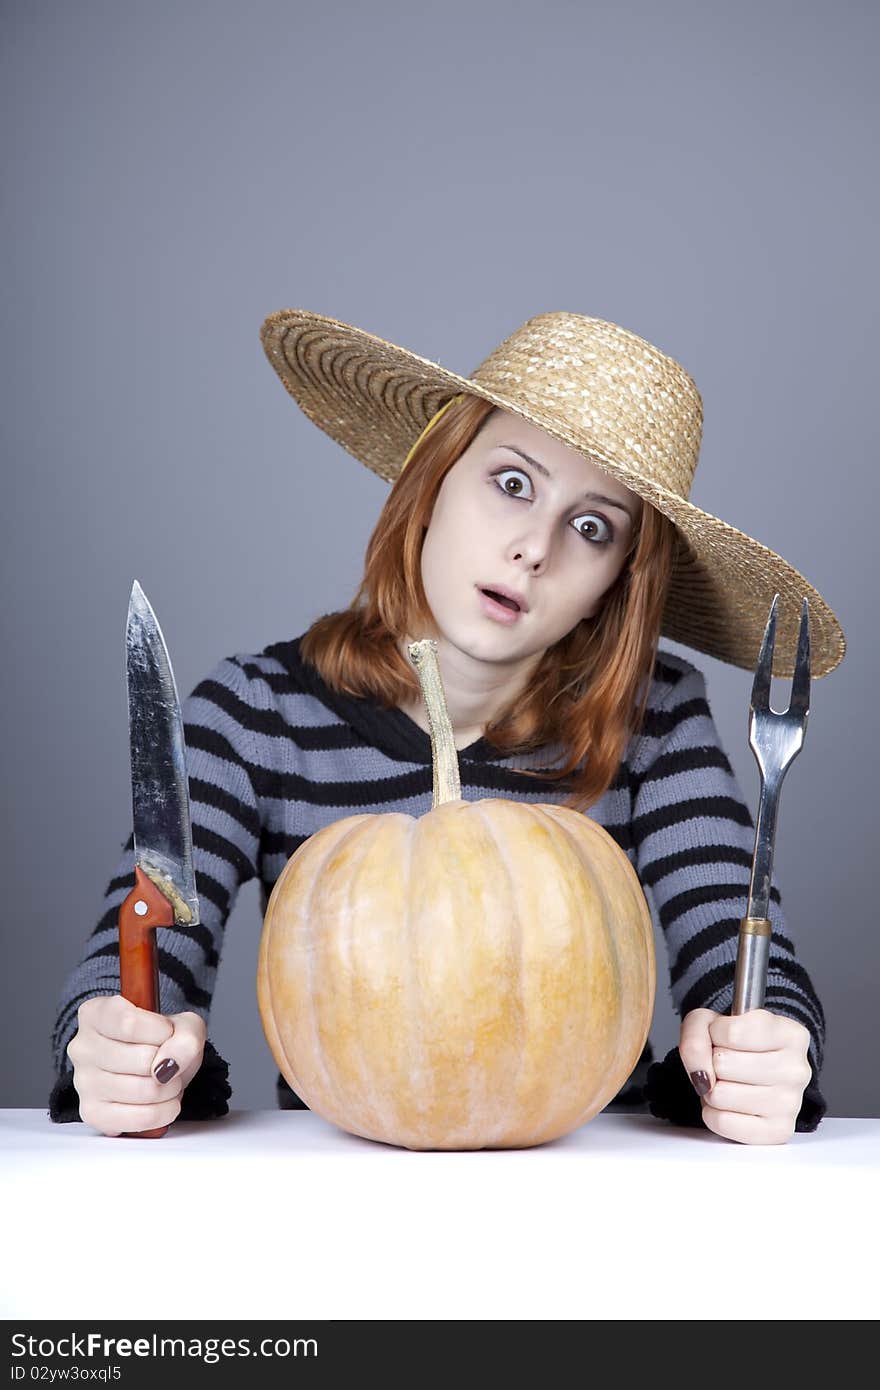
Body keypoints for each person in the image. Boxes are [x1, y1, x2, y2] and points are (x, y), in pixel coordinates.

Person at [49, 309, 845, 1145]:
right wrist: (113, 1048)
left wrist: (761, 1051)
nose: (535, 549)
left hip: (588, 1198)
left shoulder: (654, 721)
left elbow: (741, 959)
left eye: (592, 527)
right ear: (432, 482)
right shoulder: (255, 714)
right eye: (512, 483)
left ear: (618, 580)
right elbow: (129, 971)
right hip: (337, 1199)